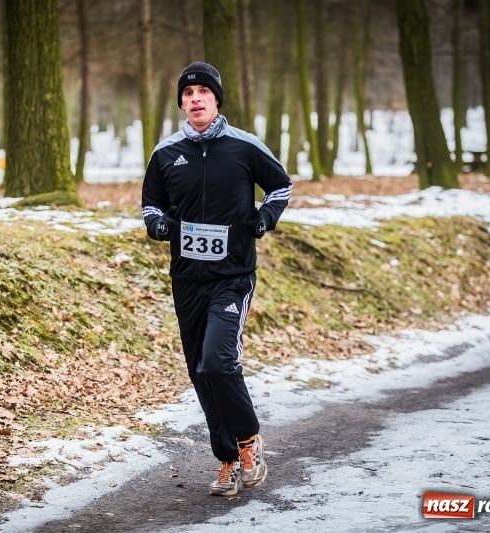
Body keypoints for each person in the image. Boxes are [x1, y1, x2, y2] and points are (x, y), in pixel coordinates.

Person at [141, 61, 293, 497]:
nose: (195, 99)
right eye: (187, 94)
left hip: (232, 275)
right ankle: (227, 458)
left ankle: (249, 440)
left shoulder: (243, 147)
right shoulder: (166, 153)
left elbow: (281, 187)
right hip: (187, 279)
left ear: (216, 99)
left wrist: (264, 218)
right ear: (181, 103)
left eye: (203, 92)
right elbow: (151, 204)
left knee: (218, 361)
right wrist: (158, 225)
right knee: (200, 372)